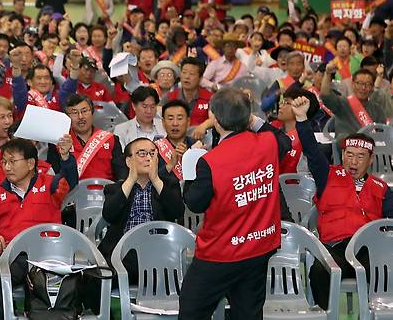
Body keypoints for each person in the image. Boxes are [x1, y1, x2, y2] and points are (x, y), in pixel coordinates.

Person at [180, 89, 292, 319]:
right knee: (248, 313)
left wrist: (191, 162)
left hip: (220, 253)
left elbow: (194, 203)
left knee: (192, 311)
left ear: (216, 120)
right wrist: (249, 117)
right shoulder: (268, 142)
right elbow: (285, 141)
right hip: (259, 247)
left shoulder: (210, 161)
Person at [290, 96, 393, 310]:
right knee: (319, 272)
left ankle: (373, 313)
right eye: (349, 155)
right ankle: (327, 314)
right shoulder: (326, 175)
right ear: (343, 154)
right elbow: (311, 150)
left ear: (371, 159)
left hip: (367, 250)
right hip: (335, 248)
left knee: (385, 269)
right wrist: (301, 119)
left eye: (360, 157)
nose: (353, 162)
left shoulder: (382, 189)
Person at [0, 137, 78, 320]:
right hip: (14, 257)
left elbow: (70, 181)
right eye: (4, 162)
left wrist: (66, 157)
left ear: (31, 163)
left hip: (48, 256)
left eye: (12, 161)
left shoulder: (51, 185)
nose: (7, 167)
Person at [97, 137, 185, 280]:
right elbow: (109, 215)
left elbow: (177, 211)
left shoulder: (168, 185)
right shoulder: (115, 188)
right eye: (142, 154)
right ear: (128, 161)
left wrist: (155, 179)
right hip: (123, 252)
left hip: (158, 250)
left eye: (152, 153)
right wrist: (131, 180)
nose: (148, 158)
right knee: (95, 278)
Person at [48, 94, 127, 181]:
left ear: (92, 113)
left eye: (84, 111)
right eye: (74, 113)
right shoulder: (59, 142)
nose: (80, 117)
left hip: (107, 191)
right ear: (67, 117)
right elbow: (54, 177)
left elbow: (121, 173)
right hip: (71, 193)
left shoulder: (111, 139)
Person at [321, 65, 392, 137]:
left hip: (370, 147)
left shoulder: (378, 109)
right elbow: (325, 95)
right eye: (360, 83)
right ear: (353, 84)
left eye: (368, 84)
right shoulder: (342, 103)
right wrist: (327, 73)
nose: (363, 88)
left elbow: (382, 135)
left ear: (372, 87)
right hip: (346, 146)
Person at [165, 57, 215, 138]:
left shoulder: (209, 97)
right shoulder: (170, 97)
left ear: (200, 78)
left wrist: (203, 126)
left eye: (191, 74)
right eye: (184, 72)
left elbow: (214, 119)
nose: (187, 77)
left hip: (200, 140)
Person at [156, 100, 198, 180]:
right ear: (163, 123)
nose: (175, 123)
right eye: (170, 119)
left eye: (179, 118)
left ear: (188, 122)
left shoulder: (196, 147)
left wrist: (189, 157)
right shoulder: (155, 149)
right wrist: (170, 165)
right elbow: (150, 181)